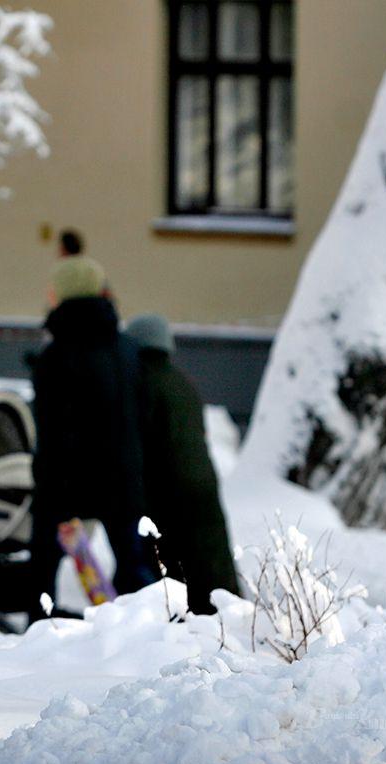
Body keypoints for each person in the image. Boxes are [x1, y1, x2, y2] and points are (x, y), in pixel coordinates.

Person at [29, 256, 157, 613]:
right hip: (123, 479)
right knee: (134, 567)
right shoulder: (129, 352)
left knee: (42, 568)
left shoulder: (53, 357)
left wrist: (44, 480)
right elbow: (144, 417)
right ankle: (141, 636)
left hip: (65, 483)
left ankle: (40, 632)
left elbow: (49, 429)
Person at [124, 314, 240, 614]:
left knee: (172, 559)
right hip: (202, 480)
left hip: (168, 485)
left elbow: (140, 438)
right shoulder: (181, 381)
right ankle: (229, 616)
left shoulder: (142, 381)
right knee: (209, 555)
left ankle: (187, 619)